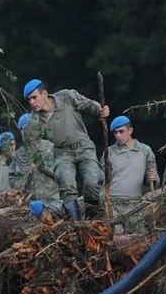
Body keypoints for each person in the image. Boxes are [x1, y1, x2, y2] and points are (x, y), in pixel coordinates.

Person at [22, 79, 109, 220]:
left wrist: (100, 110)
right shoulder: (34, 121)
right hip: (62, 153)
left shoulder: (65, 97)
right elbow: (28, 145)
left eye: (34, 97)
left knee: (92, 182)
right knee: (67, 185)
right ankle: (76, 224)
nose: (32, 102)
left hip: (83, 146)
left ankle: (93, 218)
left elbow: (88, 104)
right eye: (29, 100)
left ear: (44, 94)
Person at [101, 115, 158, 233]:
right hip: (114, 204)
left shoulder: (144, 150)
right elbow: (102, 180)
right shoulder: (109, 153)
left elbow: (152, 177)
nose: (118, 136)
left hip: (136, 204)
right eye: (115, 133)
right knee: (117, 239)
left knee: (138, 239)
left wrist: (153, 177)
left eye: (121, 132)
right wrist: (105, 204)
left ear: (130, 130)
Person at [11, 112, 66, 218]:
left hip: (52, 203)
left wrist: (41, 166)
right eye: (23, 130)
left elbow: (62, 174)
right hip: (30, 208)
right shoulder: (18, 155)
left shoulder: (50, 148)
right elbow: (13, 183)